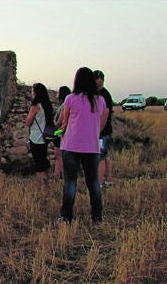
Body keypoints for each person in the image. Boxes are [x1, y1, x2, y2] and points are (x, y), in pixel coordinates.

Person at [58, 67, 108, 225]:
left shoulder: (70, 99)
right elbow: (99, 123)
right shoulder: (99, 100)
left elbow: (65, 123)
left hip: (71, 145)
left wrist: (58, 131)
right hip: (91, 147)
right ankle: (97, 218)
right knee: (93, 182)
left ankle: (66, 218)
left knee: (70, 182)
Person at [25, 83, 54, 188]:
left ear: (36, 93)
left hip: (36, 137)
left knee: (38, 163)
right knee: (43, 159)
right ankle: (48, 182)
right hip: (45, 137)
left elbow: (28, 122)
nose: (31, 93)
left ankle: (39, 186)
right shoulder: (47, 106)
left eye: (33, 91)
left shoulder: (35, 106)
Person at [94, 70, 114, 188]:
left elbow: (105, 115)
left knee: (100, 157)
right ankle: (108, 179)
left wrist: (98, 131)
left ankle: (99, 182)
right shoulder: (102, 93)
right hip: (105, 131)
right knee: (105, 155)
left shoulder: (104, 95)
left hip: (102, 131)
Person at [53, 86, 71, 179]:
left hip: (60, 133)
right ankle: (57, 174)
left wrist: (53, 131)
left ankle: (60, 175)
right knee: (58, 156)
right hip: (60, 132)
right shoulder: (63, 105)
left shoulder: (64, 106)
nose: (56, 94)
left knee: (59, 156)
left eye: (58, 92)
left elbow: (60, 122)